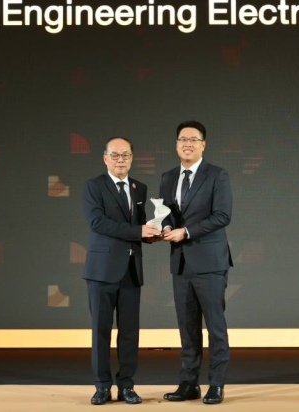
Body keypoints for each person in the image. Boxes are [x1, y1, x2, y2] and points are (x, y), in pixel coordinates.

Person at [82, 136, 161, 405]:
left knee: (129, 333)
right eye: (115, 155)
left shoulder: (139, 188)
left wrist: (152, 234)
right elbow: (98, 223)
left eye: (125, 155)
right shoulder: (94, 186)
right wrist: (138, 231)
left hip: (131, 270)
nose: (120, 160)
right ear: (105, 158)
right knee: (101, 331)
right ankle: (102, 387)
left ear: (132, 158)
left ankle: (127, 386)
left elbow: (139, 225)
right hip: (101, 271)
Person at [159, 121, 233, 405]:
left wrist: (186, 232)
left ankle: (216, 385)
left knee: (215, 326)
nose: (187, 144)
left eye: (193, 139)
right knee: (187, 328)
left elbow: (222, 216)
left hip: (210, 262)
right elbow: (165, 213)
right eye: (182, 139)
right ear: (176, 144)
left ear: (203, 144)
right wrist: (165, 226)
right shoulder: (168, 177)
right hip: (180, 263)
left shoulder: (217, 175)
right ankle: (188, 383)